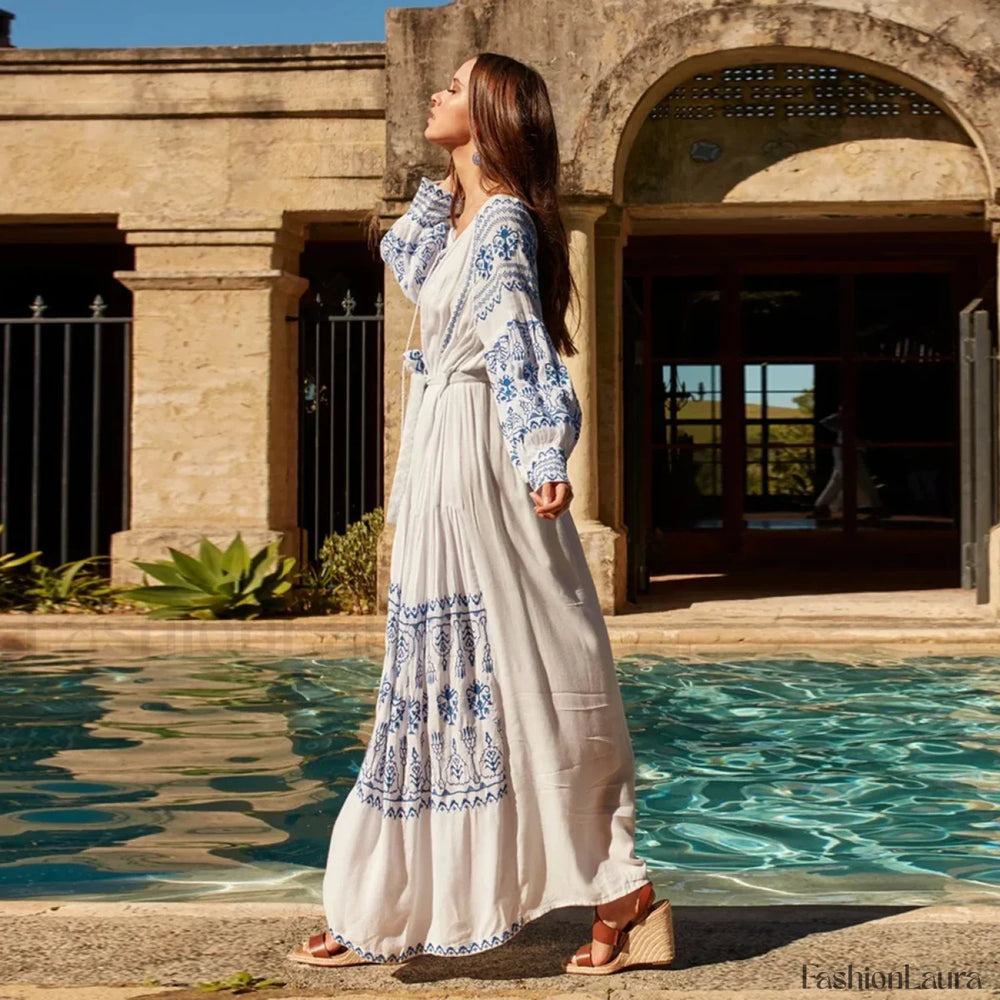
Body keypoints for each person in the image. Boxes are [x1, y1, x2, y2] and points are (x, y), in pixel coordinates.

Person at [288, 51, 674, 976]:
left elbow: (518, 339)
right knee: (427, 674)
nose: (435, 93)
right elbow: (407, 262)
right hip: (436, 449)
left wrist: (544, 448)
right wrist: (444, 183)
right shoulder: (466, 216)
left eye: (453, 87)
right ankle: (386, 899)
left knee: (531, 655)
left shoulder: (501, 223)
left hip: (477, 450)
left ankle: (621, 889)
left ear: (493, 111)